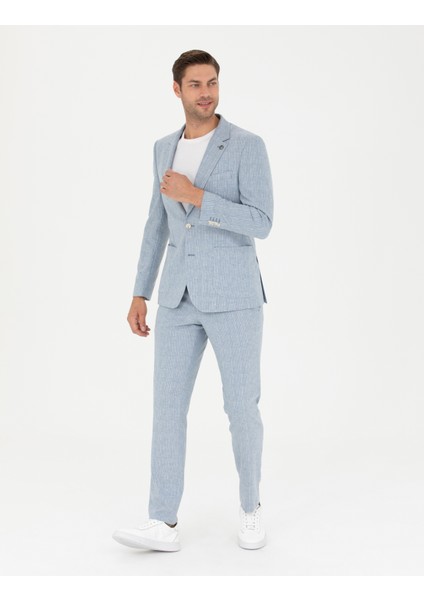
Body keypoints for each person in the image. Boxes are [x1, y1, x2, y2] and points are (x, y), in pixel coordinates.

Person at [112, 49, 274, 552]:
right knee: (167, 408)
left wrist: (198, 197)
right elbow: (156, 223)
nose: (207, 93)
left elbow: (262, 221)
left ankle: (250, 507)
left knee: (240, 407)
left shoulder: (247, 145)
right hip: (177, 297)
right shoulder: (163, 147)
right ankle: (163, 521)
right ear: (177, 89)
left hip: (234, 296)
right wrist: (140, 290)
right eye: (196, 84)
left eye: (213, 83)